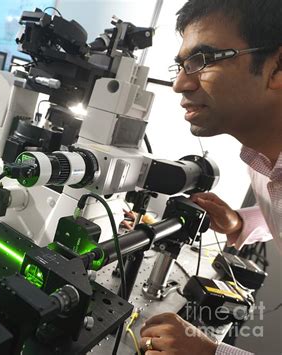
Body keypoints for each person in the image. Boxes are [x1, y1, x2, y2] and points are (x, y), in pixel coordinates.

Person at [138, 0, 282, 354]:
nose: (179, 84)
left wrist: (211, 352)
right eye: (180, 65)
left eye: (203, 60)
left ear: (277, 68)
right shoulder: (259, 153)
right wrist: (238, 223)